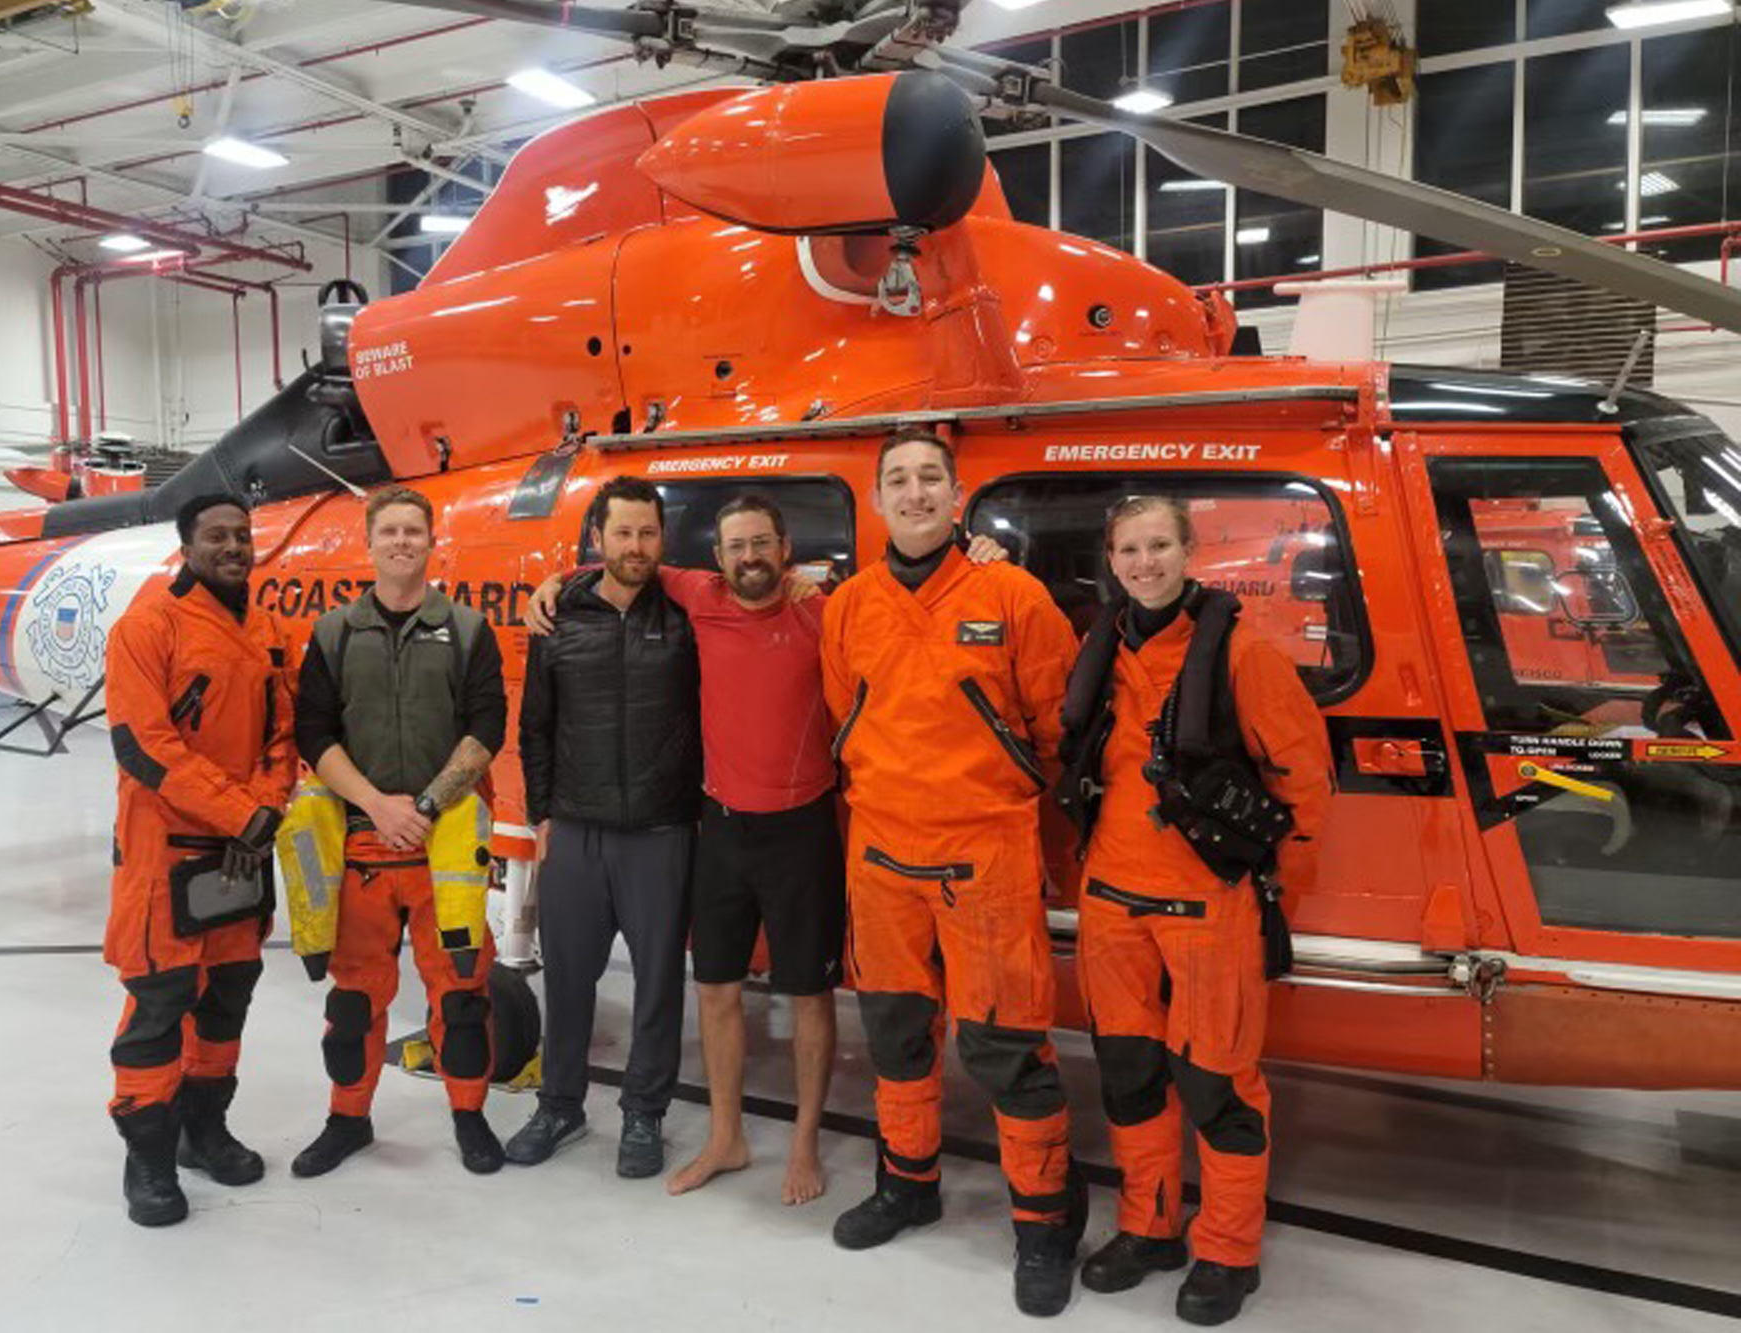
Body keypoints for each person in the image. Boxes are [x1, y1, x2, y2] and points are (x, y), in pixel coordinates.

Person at [524, 495, 1011, 1205]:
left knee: (809, 997)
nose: (749, 557)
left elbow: (910, 597)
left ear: (786, 549)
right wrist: (558, 583)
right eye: (735, 546)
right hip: (720, 829)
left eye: (761, 543)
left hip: (801, 831)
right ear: (715, 559)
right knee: (714, 990)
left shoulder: (827, 609)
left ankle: (805, 1144)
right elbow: (626, 567)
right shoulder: (697, 593)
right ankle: (727, 1136)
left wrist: (982, 557)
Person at [821, 431, 1086, 1318]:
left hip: (986, 853)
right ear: (878, 500)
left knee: (1006, 1045)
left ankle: (1044, 1222)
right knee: (895, 1031)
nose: (914, 491)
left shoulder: (1011, 592)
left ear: (958, 491)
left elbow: (1058, 725)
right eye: (897, 479)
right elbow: (842, 711)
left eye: (930, 476)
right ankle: (908, 1182)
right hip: (882, 852)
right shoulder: (849, 604)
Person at [1057, 494, 1331, 1327]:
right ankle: (1149, 1225)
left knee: (1218, 1086)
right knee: (1131, 1077)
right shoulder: (1100, 648)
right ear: (1112, 560)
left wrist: (1263, 885)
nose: (1145, 563)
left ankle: (1228, 1247)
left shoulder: (1242, 654)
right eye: (1130, 549)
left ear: (1189, 550)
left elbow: (1305, 786)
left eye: (1159, 546)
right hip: (1112, 900)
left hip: (1207, 904)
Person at [287, 485, 510, 1179]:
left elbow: (486, 727)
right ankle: (347, 1119)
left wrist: (427, 802)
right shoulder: (333, 633)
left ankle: (469, 1115)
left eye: (415, 530)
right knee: (353, 1002)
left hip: (444, 846)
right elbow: (313, 731)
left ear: (432, 540)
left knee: (463, 997)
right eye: (390, 531)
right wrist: (380, 807)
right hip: (362, 847)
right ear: (370, 541)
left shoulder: (469, 629)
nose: (402, 542)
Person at [102, 492, 297, 1227]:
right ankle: (147, 1160)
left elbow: (282, 737)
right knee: (159, 1008)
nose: (233, 546)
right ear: (186, 546)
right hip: (166, 857)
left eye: (242, 535)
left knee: (228, 996)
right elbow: (145, 745)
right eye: (216, 535)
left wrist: (268, 805)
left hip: (242, 856)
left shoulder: (268, 627)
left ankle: (203, 1130)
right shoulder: (146, 628)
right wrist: (241, 811)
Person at [506, 475, 703, 1179]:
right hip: (577, 830)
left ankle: (644, 1114)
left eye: (648, 533)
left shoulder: (687, 615)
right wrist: (542, 814)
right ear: (597, 539)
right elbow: (535, 726)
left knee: (656, 983)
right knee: (567, 978)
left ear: (663, 539)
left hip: (660, 829)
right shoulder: (558, 617)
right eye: (623, 532)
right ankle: (559, 1103)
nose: (636, 546)